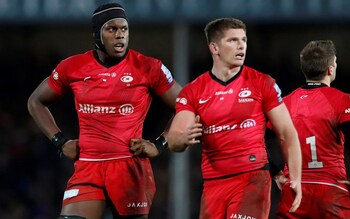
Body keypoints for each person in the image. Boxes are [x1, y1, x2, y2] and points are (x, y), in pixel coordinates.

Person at [27, 2, 182, 219]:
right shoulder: (73, 67)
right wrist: (59, 141)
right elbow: (36, 101)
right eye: (112, 29)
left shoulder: (149, 67)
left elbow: (186, 105)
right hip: (88, 168)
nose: (120, 35)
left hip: (129, 169)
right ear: (97, 34)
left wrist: (160, 143)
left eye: (124, 29)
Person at [167, 17, 302, 219]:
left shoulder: (261, 82)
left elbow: (287, 132)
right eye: (233, 40)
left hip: (253, 178)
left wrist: (296, 177)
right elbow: (175, 138)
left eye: (244, 40)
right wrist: (181, 139)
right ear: (214, 48)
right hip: (213, 184)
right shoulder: (193, 91)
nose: (241, 46)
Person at [275, 40, 350, 218]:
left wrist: (274, 172)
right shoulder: (342, 100)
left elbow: (256, 139)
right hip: (331, 191)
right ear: (330, 69)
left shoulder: (284, 104)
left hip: (293, 192)